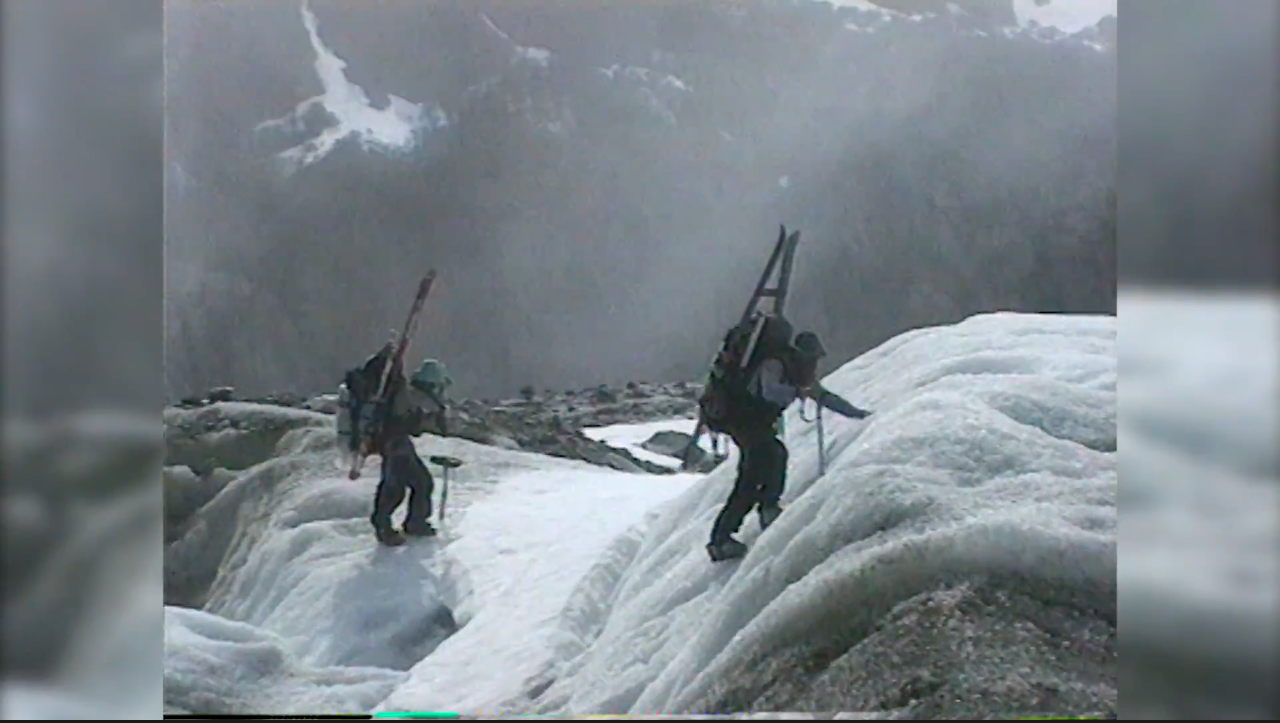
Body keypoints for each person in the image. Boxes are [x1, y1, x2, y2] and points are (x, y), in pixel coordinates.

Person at [706, 318, 872, 562]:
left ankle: (757, 515)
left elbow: (824, 397)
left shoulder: (793, 369)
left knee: (768, 460)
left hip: (751, 423)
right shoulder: (776, 363)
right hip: (744, 420)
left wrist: (857, 414)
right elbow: (769, 390)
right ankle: (729, 535)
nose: (815, 363)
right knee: (760, 467)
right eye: (814, 357)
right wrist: (797, 392)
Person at [341, 343, 452, 547]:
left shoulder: (404, 391)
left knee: (418, 482)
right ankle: (388, 526)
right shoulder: (411, 395)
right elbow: (408, 421)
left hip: (395, 441)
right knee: (398, 487)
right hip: (394, 443)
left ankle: (412, 522)